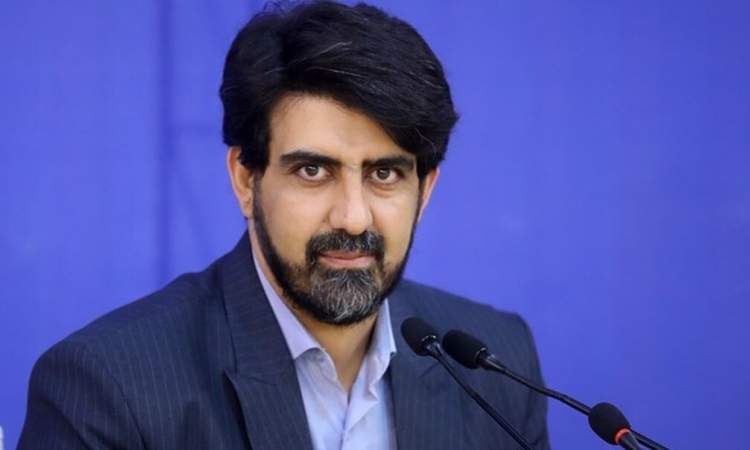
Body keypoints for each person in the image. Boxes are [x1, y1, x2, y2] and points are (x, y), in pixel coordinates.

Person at [19, 2, 549, 449]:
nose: (353, 217)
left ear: (425, 189)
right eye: (313, 171)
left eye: (384, 174)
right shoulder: (107, 387)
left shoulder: (495, 363)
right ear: (245, 179)